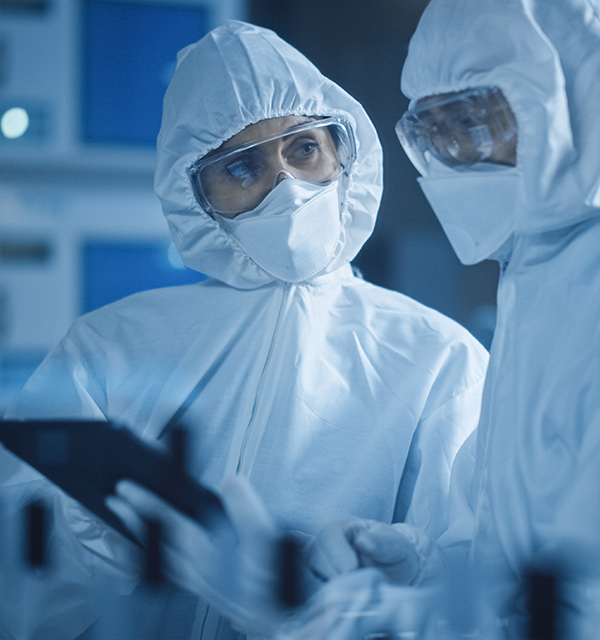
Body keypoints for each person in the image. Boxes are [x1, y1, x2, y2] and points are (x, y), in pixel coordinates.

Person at [1, 20, 488, 639]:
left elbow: (474, 581)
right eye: (242, 168)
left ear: (345, 154)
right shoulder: (107, 347)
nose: (284, 186)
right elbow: (19, 577)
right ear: (194, 196)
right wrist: (115, 546)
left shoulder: (439, 359)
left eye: (303, 149)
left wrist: (381, 585)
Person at [289, 0, 600, 637]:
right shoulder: (534, 280)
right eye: (435, 132)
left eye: (472, 121)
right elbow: (505, 549)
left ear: (569, 95)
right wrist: (422, 569)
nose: (457, 154)